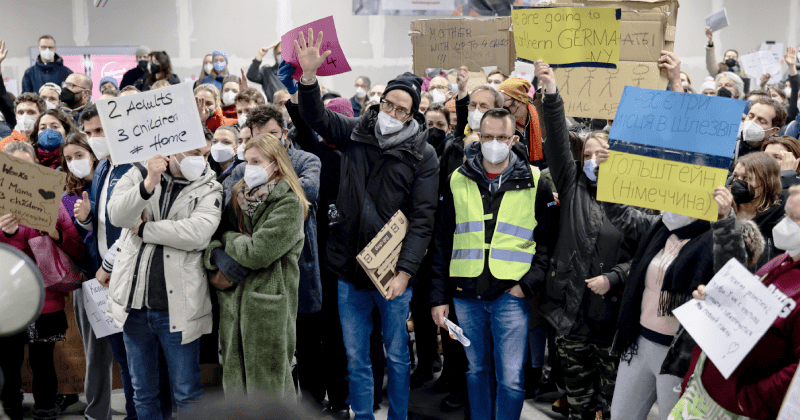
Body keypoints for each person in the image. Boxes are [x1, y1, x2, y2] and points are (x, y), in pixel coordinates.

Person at [295, 29, 440, 420]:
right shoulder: (357, 131)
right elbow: (316, 117)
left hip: (393, 273)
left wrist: (406, 272)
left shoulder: (423, 155)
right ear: (380, 101)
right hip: (348, 268)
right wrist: (309, 78)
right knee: (356, 356)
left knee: (395, 356)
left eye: (402, 110)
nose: (393, 114)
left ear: (414, 114)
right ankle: (362, 416)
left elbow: (424, 219)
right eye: (389, 104)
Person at [430, 106, 557, 420]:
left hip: (510, 296)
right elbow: (441, 241)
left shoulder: (535, 180)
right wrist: (438, 297)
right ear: (477, 135)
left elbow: (547, 243)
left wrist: (526, 285)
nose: (494, 143)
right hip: (465, 293)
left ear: (514, 138)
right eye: (488, 136)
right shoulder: (456, 179)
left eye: (502, 137)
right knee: (476, 370)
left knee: (511, 378)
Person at [535, 60, 638, 420]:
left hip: (612, 321)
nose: (595, 160)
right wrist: (550, 91)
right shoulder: (571, 184)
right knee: (578, 406)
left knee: (609, 408)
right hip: (570, 315)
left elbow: (647, 253)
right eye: (589, 155)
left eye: (603, 154)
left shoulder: (633, 198)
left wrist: (615, 276)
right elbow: (556, 137)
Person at [106, 134, 221, 419]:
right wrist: (147, 186)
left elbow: (198, 233)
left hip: (179, 308)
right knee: (143, 392)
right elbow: (117, 216)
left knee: (187, 393)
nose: (202, 160)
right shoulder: (138, 173)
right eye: (195, 152)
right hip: (135, 306)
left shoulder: (211, 187)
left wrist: (146, 229)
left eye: (205, 154)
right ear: (173, 150)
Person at [73, 104, 174, 420]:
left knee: (146, 364)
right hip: (107, 282)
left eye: (100, 131)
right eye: (89, 133)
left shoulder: (139, 168)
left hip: (132, 276)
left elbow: (137, 226)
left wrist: (110, 265)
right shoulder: (102, 167)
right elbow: (106, 223)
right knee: (123, 359)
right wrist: (88, 220)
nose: (95, 139)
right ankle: (134, 415)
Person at [670, 185, 800, 419]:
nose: (783, 225)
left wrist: (750, 399)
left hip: (737, 409)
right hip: (703, 393)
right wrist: (717, 299)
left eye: (794, 219)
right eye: (785, 215)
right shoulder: (782, 260)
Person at [204, 132, 308, 396]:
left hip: (268, 307)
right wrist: (219, 251)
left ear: (276, 163)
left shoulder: (289, 203)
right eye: (247, 160)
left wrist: (230, 239)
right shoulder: (239, 195)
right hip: (233, 306)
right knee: (236, 390)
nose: (250, 168)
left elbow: (257, 253)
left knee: (269, 392)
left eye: (257, 161)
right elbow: (213, 236)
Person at [0, 141, 84, 420]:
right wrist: (7, 234)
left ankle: (46, 407)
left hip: (47, 298)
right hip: (8, 299)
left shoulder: (51, 199)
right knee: (9, 360)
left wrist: (56, 234)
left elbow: (76, 247)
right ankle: (11, 406)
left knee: (43, 358)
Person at [729, 152, 785, 269]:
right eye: (735, 176)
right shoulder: (723, 208)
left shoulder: (778, 222)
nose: (737, 182)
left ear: (766, 182)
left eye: (746, 178)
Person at [498, 77, 544, 166]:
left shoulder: (542, 120)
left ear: (518, 100)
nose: (500, 105)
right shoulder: (500, 125)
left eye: (503, 100)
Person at [736, 97, 788, 161]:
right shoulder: (729, 140)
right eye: (750, 116)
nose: (752, 122)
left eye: (762, 121)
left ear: (774, 130)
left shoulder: (774, 158)